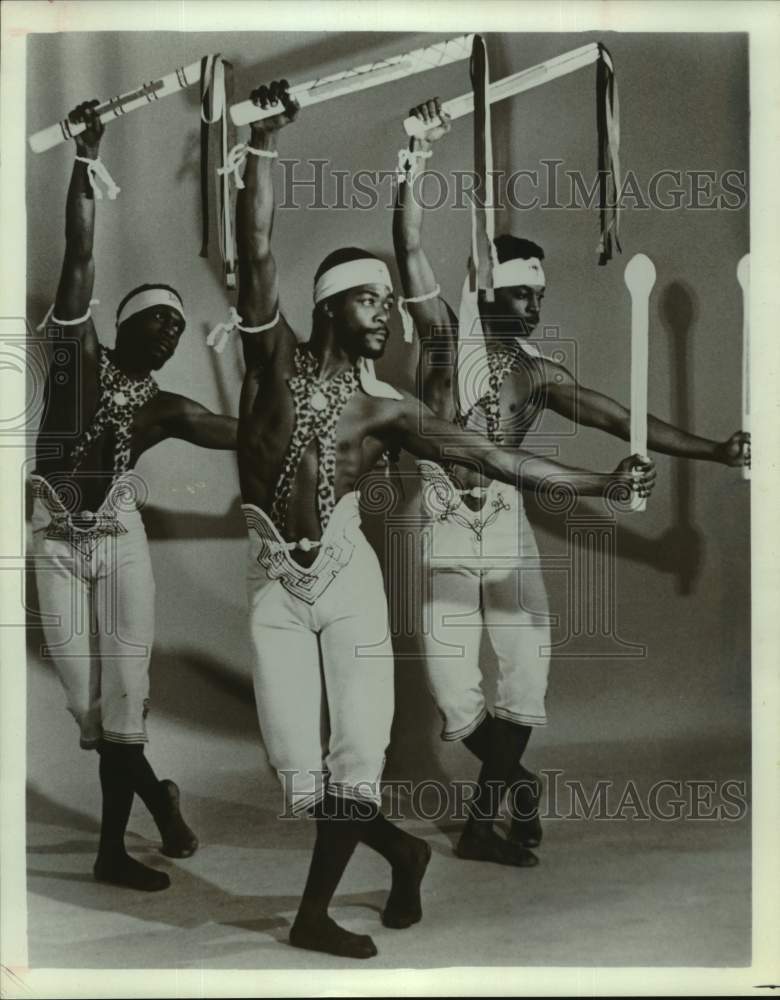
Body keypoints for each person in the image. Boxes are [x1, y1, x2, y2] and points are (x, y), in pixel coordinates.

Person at [222, 80, 655, 959]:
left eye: (390, 302)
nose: (386, 315)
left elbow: (497, 459)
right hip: (276, 583)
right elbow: (257, 246)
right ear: (329, 306)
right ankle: (405, 851)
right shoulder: (270, 360)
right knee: (296, 773)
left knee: (357, 756)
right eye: (369, 302)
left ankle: (315, 913)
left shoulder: (389, 410)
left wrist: (602, 487)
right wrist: (263, 144)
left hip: (349, 579)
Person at [392, 97, 751, 865]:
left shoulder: (537, 375)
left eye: (540, 296)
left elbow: (627, 418)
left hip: (509, 532)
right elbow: (410, 253)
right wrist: (415, 159)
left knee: (525, 676)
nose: (535, 304)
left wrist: (718, 451)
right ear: (489, 290)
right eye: (523, 292)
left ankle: (488, 825)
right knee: (456, 703)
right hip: (447, 529)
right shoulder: (442, 346)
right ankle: (518, 784)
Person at [31, 102, 239, 892]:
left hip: (121, 547)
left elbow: (247, 431)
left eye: (179, 330)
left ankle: (111, 851)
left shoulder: (165, 409)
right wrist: (86, 159)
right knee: (90, 715)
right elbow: (77, 252)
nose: (169, 335)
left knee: (125, 700)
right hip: (53, 541)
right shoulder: (74, 359)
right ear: (118, 325)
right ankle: (165, 803)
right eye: (157, 321)